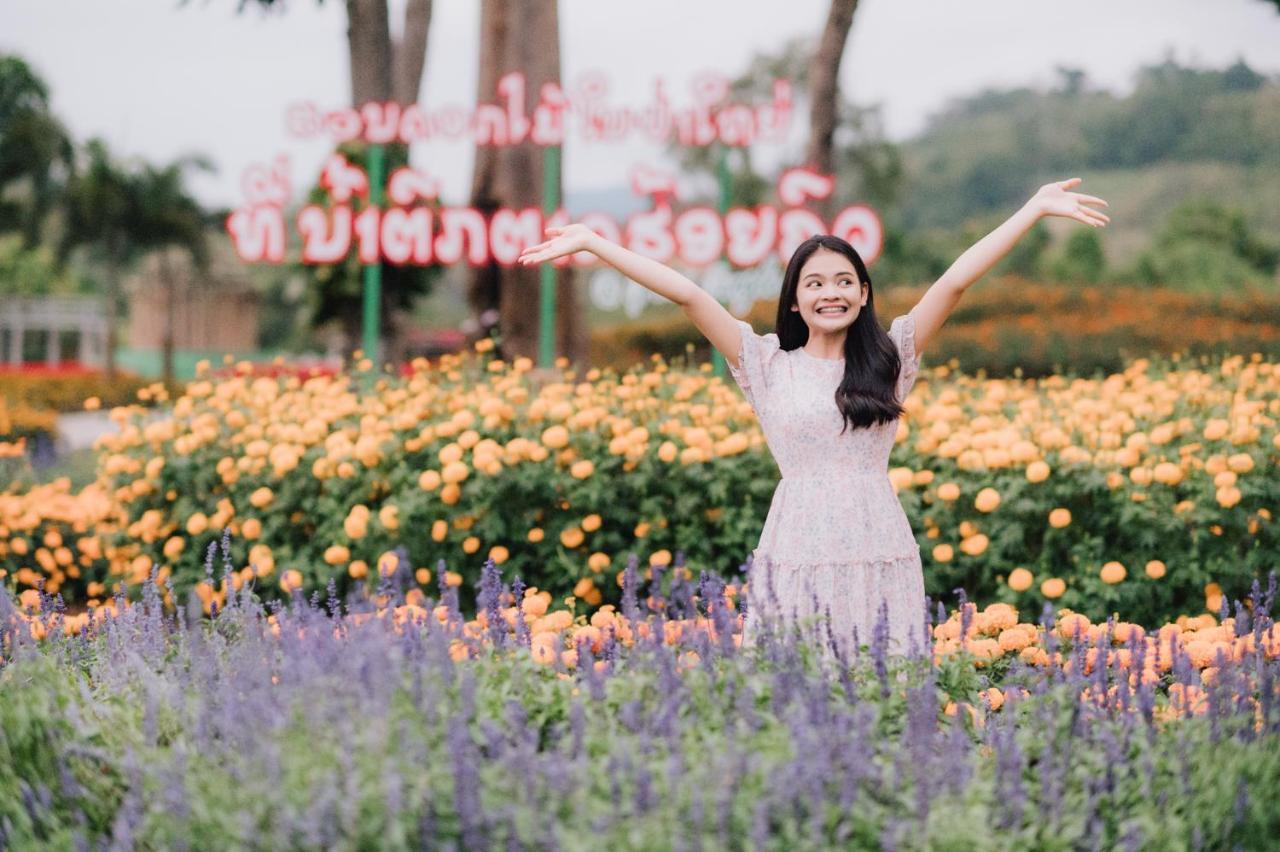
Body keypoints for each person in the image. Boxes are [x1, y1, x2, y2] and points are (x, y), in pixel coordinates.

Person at [518, 177, 1109, 663]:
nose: (832, 293)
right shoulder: (767, 363)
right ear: (795, 301)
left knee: (885, 676)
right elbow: (691, 297)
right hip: (797, 541)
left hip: (876, 539)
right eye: (816, 283)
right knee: (794, 677)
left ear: (863, 293)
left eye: (845, 282)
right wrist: (596, 244)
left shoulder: (891, 357)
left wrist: (1031, 209)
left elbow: (954, 283)